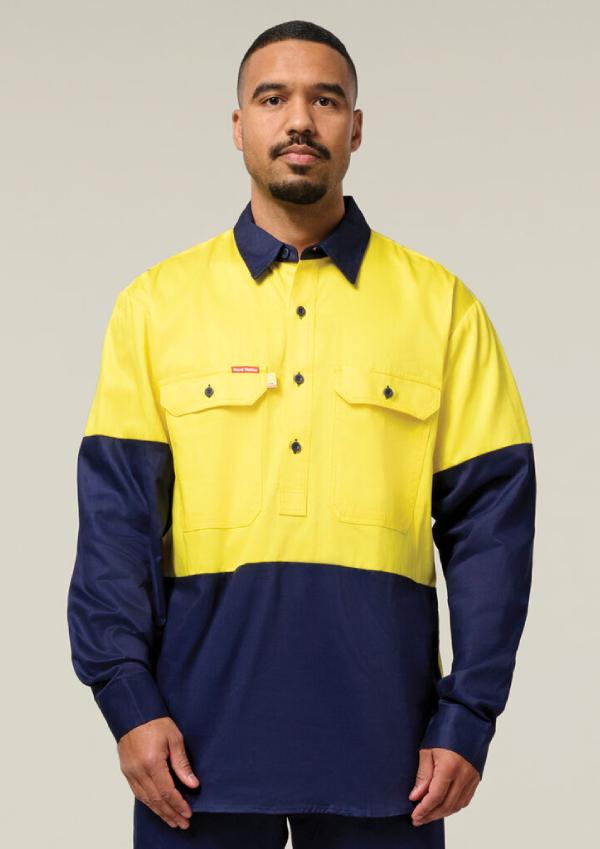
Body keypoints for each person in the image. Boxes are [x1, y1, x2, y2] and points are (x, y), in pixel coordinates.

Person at [66, 19, 537, 849]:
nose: (298, 121)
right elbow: (116, 525)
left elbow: (492, 530)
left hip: (389, 755)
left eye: (325, 100)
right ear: (237, 125)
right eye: (272, 98)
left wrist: (470, 713)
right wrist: (127, 701)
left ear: (356, 127)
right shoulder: (155, 307)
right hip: (193, 749)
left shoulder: (443, 308)